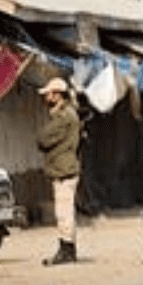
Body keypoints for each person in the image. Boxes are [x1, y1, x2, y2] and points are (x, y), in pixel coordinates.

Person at [36, 77, 82, 266]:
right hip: (65, 167)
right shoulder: (68, 114)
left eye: (48, 94)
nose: (46, 97)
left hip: (63, 170)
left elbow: (43, 140)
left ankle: (66, 251)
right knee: (66, 211)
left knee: (63, 213)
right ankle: (68, 249)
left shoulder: (63, 117)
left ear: (56, 95)